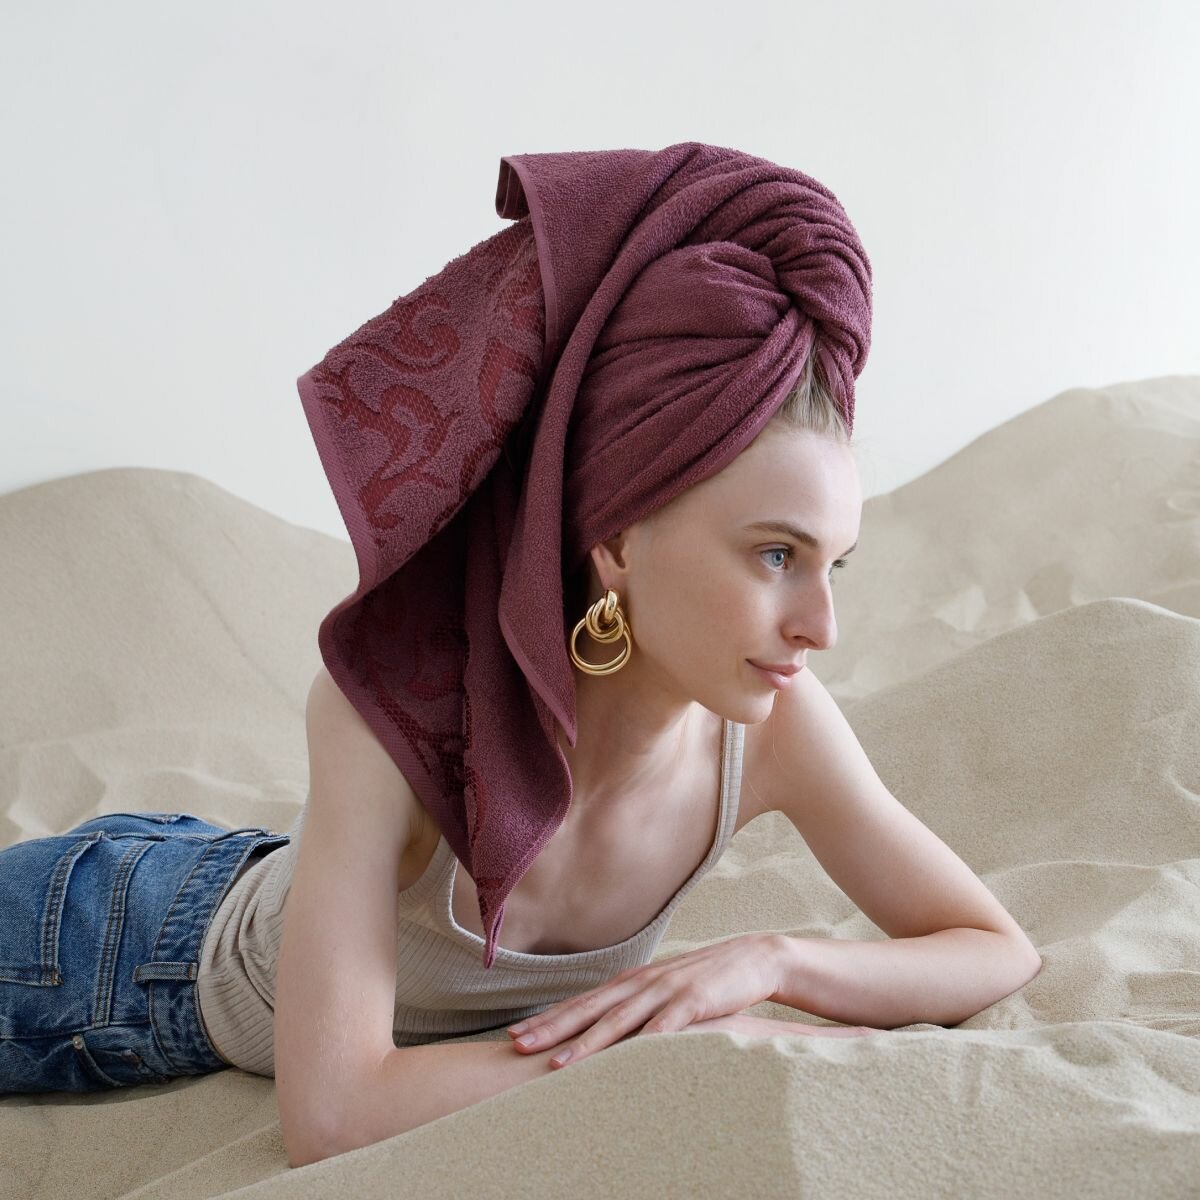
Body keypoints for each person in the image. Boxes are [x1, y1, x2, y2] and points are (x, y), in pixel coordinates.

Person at [0, 355, 871, 1111]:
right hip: (108, 956)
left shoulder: (778, 724)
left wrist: (775, 963)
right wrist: (655, 1047)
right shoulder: (400, 719)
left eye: (833, 564)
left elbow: (960, 948)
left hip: (251, 873)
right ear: (618, 538)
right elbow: (332, 1113)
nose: (822, 627)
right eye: (775, 555)